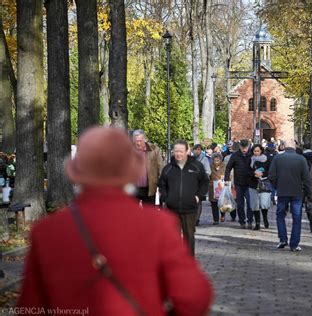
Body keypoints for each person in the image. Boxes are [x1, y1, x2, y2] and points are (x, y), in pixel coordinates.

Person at [17, 127, 213, 315]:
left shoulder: (46, 232)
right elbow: (194, 298)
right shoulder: (159, 225)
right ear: (132, 171)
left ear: (75, 172)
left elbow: (29, 308)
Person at [159, 140, 209, 256]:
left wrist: (198, 197)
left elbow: (204, 183)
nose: (178, 154)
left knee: (189, 237)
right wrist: (166, 198)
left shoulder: (197, 166)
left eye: (181, 151)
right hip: (172, 209)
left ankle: (188, 262)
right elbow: (162, 185)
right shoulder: (168, 168)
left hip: (190, 208)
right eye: (176, 151)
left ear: (187, 151)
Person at [269, 139, 311, 252]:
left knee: (280, 215)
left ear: (284, 146)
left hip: (282, 191)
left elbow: (271, 175)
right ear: (295, 147)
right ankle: (294, 244)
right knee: (297, 218)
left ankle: (282, 239)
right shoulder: (301, 159)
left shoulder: (278, 158)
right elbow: (306, 178)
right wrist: (308, 193)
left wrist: (276, 186)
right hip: (297, 192)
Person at [224, 139, 253, 229]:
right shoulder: (235, 155)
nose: (244, 149)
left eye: (246, 147)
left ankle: (250, 220)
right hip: (239, 183)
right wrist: (226, 180)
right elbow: (228, 168)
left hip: (250, 183)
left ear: (248, 146)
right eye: (242, 147)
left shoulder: (252, 155)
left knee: (250, 203)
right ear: (240, 147)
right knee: (240, 204)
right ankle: (242, 221)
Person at [132, 129, 163, 204]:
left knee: (149, 213)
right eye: (136, 141)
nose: (138, 143)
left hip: (150, 188)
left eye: (140, 141)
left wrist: (162, 186)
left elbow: (160, 167)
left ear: (145, 139)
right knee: (132, 214)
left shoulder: (154, 149)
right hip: (133, 188)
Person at [248, 144, 272, 230]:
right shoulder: (250, 160)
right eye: (255, 151)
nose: (256, 153)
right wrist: (254, 174)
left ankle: (265, 218)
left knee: (264, 203)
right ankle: (257, 222)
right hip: (253, 184)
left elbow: (270, 171)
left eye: (258, 151)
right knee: (255, 204)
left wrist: (262, 174)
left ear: (261, 151)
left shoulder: (267, 159)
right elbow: (247, 171)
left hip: (264, 183)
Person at [193, 144, 211, 226]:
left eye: (199, 149)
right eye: (196, 149)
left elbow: (208, 172)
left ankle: (196, 219)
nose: (197, 151)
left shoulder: (205, 159)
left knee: (198, 202)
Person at [209, 153, 225, 224]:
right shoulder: (210, 166)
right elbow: (208, 175)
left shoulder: (224, 166)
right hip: (212, 187)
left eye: (218, 160)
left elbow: (227, 174)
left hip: (221, 185)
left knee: (221, 202)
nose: (216, 162)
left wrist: (223, 177)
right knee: (214, 204)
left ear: (220, 160)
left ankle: (222, 215)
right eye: (215, 160)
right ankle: (215, 220)